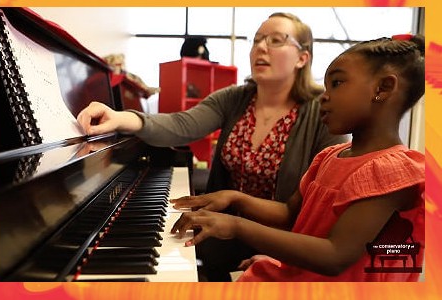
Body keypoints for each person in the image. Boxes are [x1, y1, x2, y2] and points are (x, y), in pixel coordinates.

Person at [77, 12, 346, 281]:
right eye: (257, 40)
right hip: (225, 232)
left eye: (276, 40)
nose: (261, 47)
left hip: (285, 243)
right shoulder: (235, 98)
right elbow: (181, 125)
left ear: (302, 58)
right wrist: (121, 117)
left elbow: (320, 210)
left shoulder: (323, 112)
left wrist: (282, 260)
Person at [170, 34, 425, 282]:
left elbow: (335, 256)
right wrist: (235, 197)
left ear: (383, 88)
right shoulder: (329, 157)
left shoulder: (391, 171)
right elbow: (290, 213)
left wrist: (237, 226)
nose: (324, 96)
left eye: (336, 83)